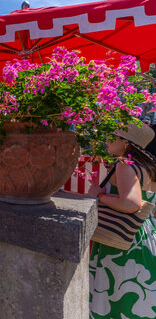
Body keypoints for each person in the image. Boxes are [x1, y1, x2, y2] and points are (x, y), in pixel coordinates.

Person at [87, 123, 156, 319]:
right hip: (145, 236)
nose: (107, 140)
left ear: (126, 143)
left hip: (121, 241)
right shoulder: (148, 166)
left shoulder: (125, 165)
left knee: (116, 298)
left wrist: (100, 196)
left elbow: (130, 203)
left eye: (112, 136)